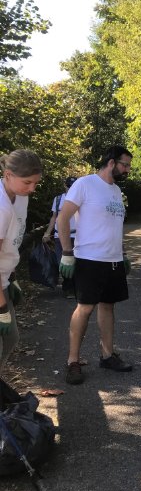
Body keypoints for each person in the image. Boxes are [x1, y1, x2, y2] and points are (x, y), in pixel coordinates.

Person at [58, 145, 134, 385]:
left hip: (112, 260)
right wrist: (67, 253)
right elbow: (62, 217)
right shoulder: (85, 184)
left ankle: (107, 355)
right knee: (85, 308)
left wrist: (122, 253)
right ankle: (73, 362)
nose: (128, 170)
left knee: (108, 306)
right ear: (111, 162)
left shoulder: (115, 191)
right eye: (125, 165)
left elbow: (114, 225)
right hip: (89, 258)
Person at [0, 150, 42, 373]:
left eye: (35, 183)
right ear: (8, 175)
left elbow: (11, 243)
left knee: (10, 339)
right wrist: (2, 308)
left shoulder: (21, 197)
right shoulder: (1, 207)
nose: (32, 189)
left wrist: (12, 275)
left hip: (4, 278)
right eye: (28, 182)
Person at [42, 176, 78, 298]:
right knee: (62, 262)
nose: (71, 189)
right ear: (65, 186)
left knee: (78, 262)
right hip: (60, 236)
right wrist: (48, 232)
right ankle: (69, 287)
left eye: (73, 186)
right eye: (69, 186)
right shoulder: (58, 199)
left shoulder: (81, 199)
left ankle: (73, 288)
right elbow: (54, 217)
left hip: (78, 235)